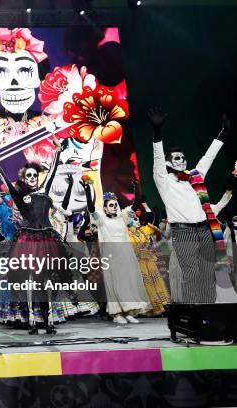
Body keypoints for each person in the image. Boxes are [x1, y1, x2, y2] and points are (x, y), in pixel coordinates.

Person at [0, 143, 72, 335]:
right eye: (29, 175)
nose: (32, 178)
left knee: (49, 279)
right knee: (30, 281)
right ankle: (32, 319)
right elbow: (7, 182)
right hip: (28, 241)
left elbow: (52, 172)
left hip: (47, 238)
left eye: (34, 175)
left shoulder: (45, 191)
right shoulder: (19, 195)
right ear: (24, 178)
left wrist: (57, 152)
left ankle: (49, 319)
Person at [148, 107, 230, 303]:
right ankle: (194, 315)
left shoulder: (194, 176)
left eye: (183, 157)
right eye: (177, 158)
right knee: (191, 274)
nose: (182, 160)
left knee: (208, 273)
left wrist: (223, 134)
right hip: (183, 232)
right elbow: (158, 159)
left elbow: (207, 158)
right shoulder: (164, 181)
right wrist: (157, 133)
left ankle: (209, 314)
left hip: (204, 230)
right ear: (169, 163)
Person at [82, 181, 151, 324]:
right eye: (111, 205)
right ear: (105, 209)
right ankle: (116, 313)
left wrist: (136, 187)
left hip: (125, 255)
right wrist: (88, 190)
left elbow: (136, 203)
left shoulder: (123, 217)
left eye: (115, 204)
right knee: (115, 284)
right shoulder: (101, 220)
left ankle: (128, 311)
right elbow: (91, 208)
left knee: (127, 282)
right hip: (111, 257)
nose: (114, 207)